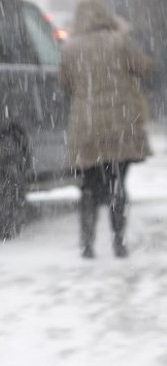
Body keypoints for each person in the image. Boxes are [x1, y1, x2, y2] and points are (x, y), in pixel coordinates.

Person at [59, 0, 154, 259]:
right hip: (120, 124)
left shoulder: (70, 48)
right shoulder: (119, 41)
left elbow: (65, 82)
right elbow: (143, 67)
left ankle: (87, 245)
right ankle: (118, 242)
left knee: (89, 186)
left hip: (86, 126)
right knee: (117, 184)